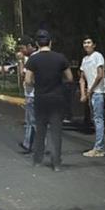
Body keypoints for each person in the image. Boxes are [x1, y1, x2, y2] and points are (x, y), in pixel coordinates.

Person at [25, 29, 73, 172]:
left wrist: (37, 84)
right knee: (56, 132)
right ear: (50, 42)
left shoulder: (33, 59)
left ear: (36, 43)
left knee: (40, 130)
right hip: (57, 99)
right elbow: (70, 78)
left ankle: (38, 160)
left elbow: (27, 80)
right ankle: (56, 163)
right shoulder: (60, 58)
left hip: (40, 99)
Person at [79, 36, 105, 158]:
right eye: (84, 42)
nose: (86, 45)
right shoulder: (84, 59)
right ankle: (98, 146)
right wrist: (83, 93)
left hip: (98, 93)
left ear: (94, 45)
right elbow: (82, 78)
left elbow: (100, 75)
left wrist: (91, 90)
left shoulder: (98, 56)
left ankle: (99, 148)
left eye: (89, 42)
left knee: (98, 119)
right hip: (91, 93)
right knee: (95, 119)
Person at [17, 37, 38, 154]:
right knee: (29, 121)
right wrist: (20, 61)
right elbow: (22, 76)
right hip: (29, 93)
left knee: (34, 122)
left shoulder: (34, 58)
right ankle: (27, 143)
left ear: (29, 46)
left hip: (34, 94)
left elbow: (26, 77)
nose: (22, 51)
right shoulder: (29, 58)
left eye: (23, 48)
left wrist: (29, 81)